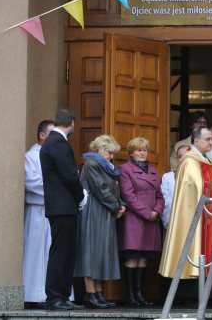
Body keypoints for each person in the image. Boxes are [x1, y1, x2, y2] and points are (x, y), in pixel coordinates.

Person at [159, 127, 212, 280]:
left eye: (211, 139)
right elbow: (199, 186)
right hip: (191, 215)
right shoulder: (189, 161)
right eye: (207, 139)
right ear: (196, 141)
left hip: (203, 213)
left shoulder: (203, 159)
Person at [40, 109, 87, 310]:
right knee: (62, 252)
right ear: (71, 123)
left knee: (64, 251)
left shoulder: (52, 142)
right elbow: (69, 175)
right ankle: (55, 296)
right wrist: (81, 196)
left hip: (60, 206)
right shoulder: (58, 143)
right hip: (63, 206)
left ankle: (61, 295)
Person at [74, 135, 125, 309]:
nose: (111, 156)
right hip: (94, 211)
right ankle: (90, 294)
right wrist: (116, 206)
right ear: (100, 149)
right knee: (91, 251)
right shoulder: (92, 164)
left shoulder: (107, 166)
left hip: (105, 211)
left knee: (101, 252)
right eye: (109, 152)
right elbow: (101, 189)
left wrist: (121, 204)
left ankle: (99, 293)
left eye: (112, 153)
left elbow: (115, 189)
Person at [119, 137, 165, 307]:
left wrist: (157, 210)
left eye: (144, 149)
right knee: (133, 257)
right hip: (134, 220)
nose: (142, 153)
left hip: (151, 220)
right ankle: (130, 296)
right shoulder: (125, 169)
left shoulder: (153, 170)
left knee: (144, 258)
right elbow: (128, 195)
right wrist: (147, 213)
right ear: (131, 153)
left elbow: (159, 195)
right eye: (139, 150)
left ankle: (140, 295)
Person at [23, 119, 54, 308]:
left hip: (54, 211)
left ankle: (51, 294)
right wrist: (58, 190)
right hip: (37, 211)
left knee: (51, 253)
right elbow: (31, 182)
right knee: (36, 254)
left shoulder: (54, 155)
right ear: (42, 135)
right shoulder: (31, 156)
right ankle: (34, 294)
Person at [161, 144, 189, 229]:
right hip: (174, 223)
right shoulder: (167, 177)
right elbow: (166, 202)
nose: (183, 159)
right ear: (177, 159)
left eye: (187, 156)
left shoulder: (200, 176)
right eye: (180, 156)